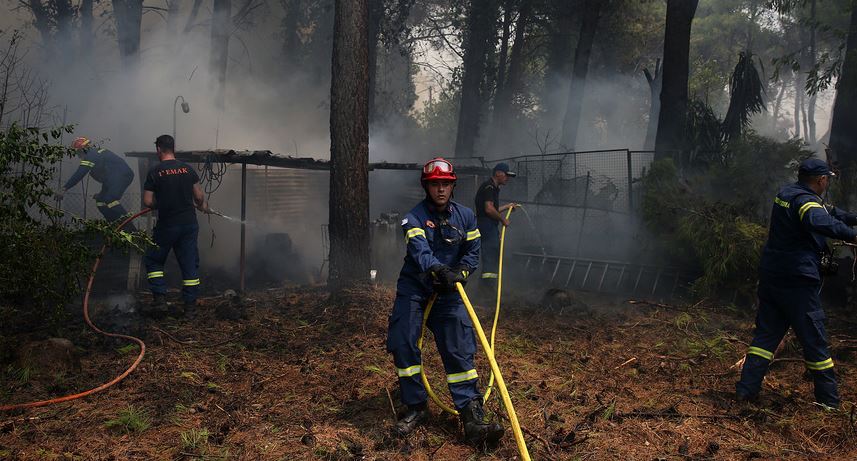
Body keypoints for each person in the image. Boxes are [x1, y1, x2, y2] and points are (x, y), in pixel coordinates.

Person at [386, 157, 504, 445]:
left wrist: (462, 272)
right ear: (427, 187)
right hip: (417, 288)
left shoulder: (466, 216)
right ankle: (416, 406)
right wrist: (437, 269)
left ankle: (471, 415)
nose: (440, 189)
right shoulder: (412, 218)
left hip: (449, 292)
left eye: (445, 184)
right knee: (403, 340)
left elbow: (472, 251)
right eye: (435, 184)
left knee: (459, 348)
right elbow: (420, 251)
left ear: (452, 187)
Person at [736, 158, 857, 410]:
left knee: (765, 337)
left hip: (773, 277)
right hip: (796, 281)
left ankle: (745, 392)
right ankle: (829, 403)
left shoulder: (788, 193)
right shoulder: (806, 202)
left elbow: (829, 213)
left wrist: (853, 220)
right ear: (821, 180)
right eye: (827, 179)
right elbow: (820, 221)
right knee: (814, 338)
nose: (827, 183)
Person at [142, 135, 210, 318]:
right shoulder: (187, 169)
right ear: (173, 148)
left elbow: (147, 201)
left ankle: (160, 300)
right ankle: (190, 308)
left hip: (167, 225)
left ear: (158, 150)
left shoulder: (155, 172)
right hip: (189, 224)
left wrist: (160, 203)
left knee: (154, 260)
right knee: (189, 265)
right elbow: (199, 196)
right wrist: (201, 205)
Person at [56, 137, 135, 227]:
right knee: (100, 200)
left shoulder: (91, 155)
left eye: (77, 152)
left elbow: (79, 173)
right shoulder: (95, 153)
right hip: (112, 179)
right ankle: (115, 225)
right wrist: (102, 193)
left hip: (121, 176)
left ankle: (128, 226)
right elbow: (107, 176)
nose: (77, 155)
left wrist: (64, 188)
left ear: (82, 149)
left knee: (110, 199)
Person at [474, 162, 517, 297]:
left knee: (492, 255)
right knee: (491, 256)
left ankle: (486, 288)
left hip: (488, 225)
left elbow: (491, 209)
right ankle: (487, 291)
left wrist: (507, 207)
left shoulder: (492, 188)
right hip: (486, 226)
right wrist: (503, 220)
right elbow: (488, 209)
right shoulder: (489, 187)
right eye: (506, 175)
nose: (507, 178)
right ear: (498, 173)